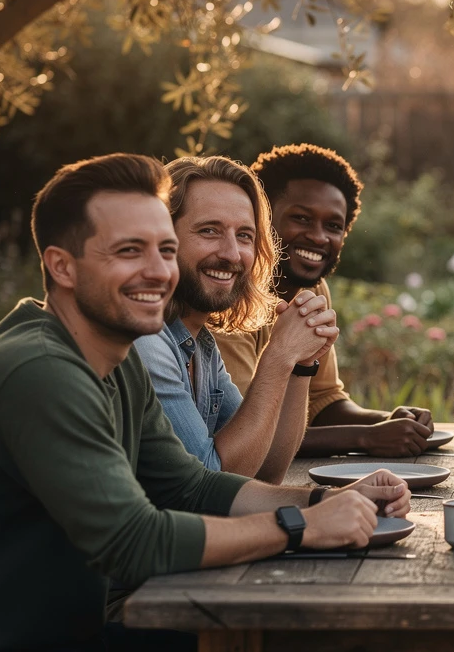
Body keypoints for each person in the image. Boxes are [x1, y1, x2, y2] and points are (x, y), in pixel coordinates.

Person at [0, 154, 411, 652]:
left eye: (162, 248)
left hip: (72, 633)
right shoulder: (40, 372)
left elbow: (193, 483)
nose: (158, 271)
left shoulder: (113, 355)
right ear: (62, 267)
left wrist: (324, 500)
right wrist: (299, 527)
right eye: (130, 251)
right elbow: (135, 540)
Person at [215, 143, 435, 457]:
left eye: (333, 226)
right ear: (262, 219)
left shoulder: (312, 289)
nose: (319, 237)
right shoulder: (230, 296)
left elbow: (323, 400)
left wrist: (388, 420)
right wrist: (364, 438)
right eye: (302, 219)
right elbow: (243, 429)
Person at [135, 156, 338, 483]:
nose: (231, 254)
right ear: (161, 239)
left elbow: (265, 471)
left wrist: (300, 365)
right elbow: (208, 485)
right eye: (209, 230)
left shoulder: (199, 345)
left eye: (245, 235)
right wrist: (277, 356)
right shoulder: (146, 342)